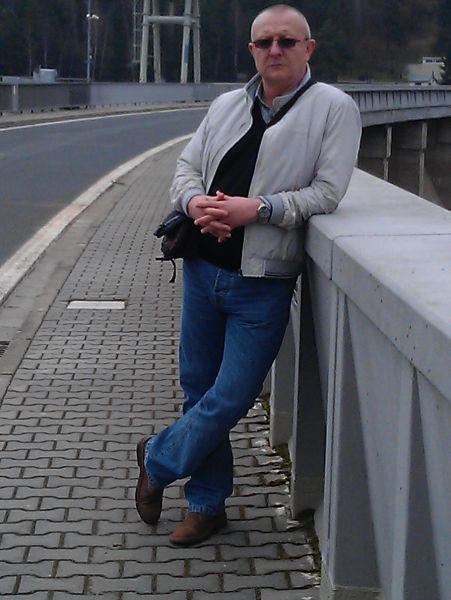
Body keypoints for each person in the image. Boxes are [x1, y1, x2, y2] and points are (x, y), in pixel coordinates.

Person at [135, 3, 361, 546]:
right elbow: (186, 168)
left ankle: (158, 458)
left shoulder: (333, 108)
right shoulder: (226, 105)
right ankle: (206, 505)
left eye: (287, 41)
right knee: (198, 390)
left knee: (232, 395)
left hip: (263, 278)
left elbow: (327, 193)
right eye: (265, 42)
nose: (275, 50)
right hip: (202, 268)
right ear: (252, 50)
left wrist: (254, 209)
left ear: (308, 48)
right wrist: (195, 204)